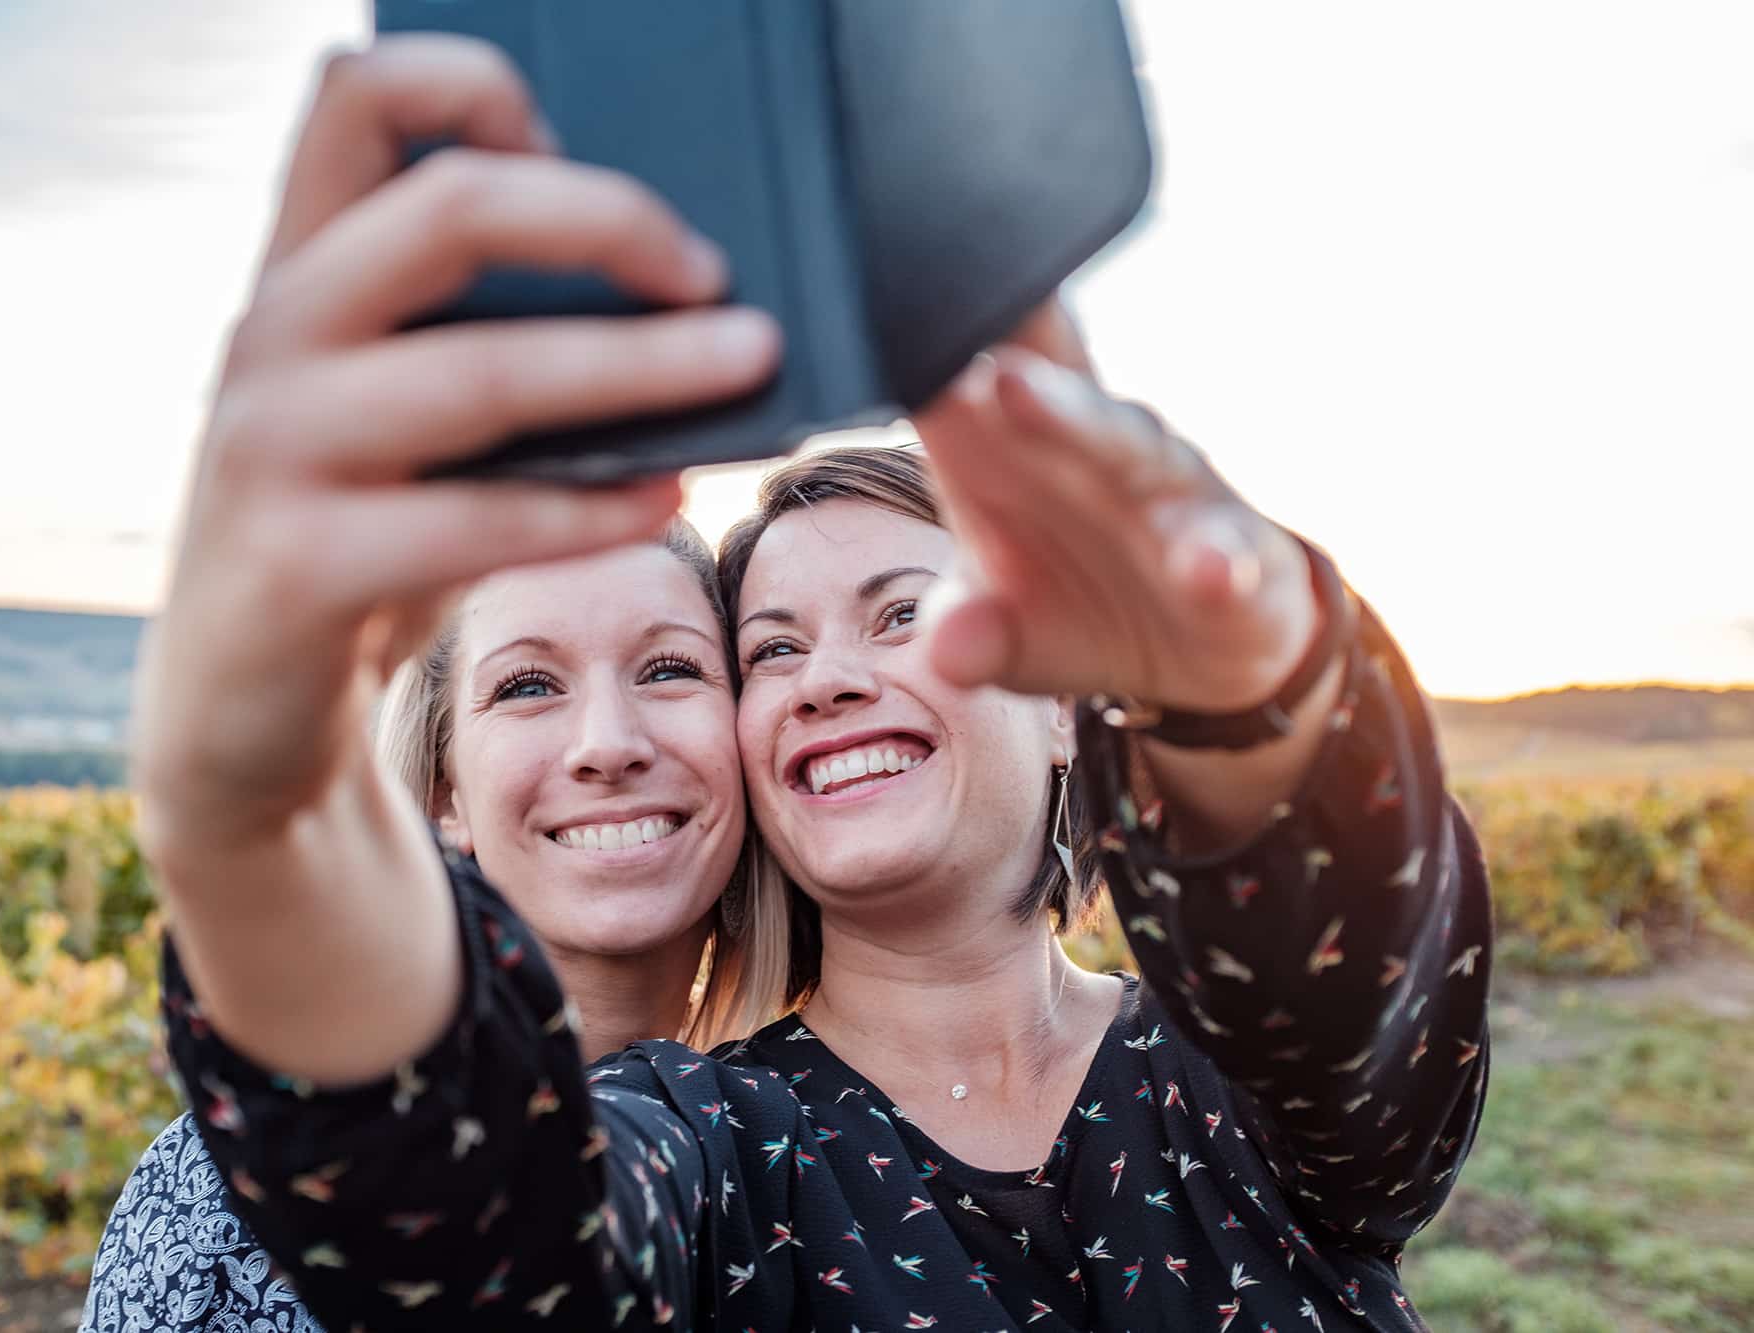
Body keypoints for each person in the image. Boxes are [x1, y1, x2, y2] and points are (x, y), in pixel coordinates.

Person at [136, 33, 1491, 1332]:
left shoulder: (1254, 1079)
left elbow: (1360, 984)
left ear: (1067, 701)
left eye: (903, 614)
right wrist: (257, 821)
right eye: (772, 649)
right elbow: (490, 1242)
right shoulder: (707, 1145)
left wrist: (1255, 700)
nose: (825, 678)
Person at [75, 525, 792, 1332]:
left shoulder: (806, 1156)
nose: (609, 744)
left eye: (669, 669)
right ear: (447, 793)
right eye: (528, 685)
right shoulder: (221, 1205)